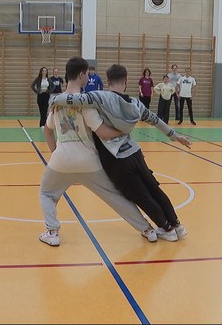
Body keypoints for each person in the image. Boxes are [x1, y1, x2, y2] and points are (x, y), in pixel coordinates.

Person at [50, 64, 192, 242]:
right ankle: (177, 225)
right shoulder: (136, 104)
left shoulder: (99, 97)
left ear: (108, 81)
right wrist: (176, 136)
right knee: (154, 189)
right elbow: (156, 121)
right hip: (135, 153)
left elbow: (72, 100)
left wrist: (54, 100)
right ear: (125, 82)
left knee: (141, 195)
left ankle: (167, 228)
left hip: (115, 158)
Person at [38, 57, 157, 247]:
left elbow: (47, 129)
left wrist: (55, 152)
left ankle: (52, 232)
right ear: (82, 74)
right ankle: (148, 230)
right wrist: (124, 130)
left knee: (46, 193)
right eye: (87, 73)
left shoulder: (55, 103)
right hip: (89, 163)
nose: (89, 76)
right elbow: (103, 133)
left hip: (61, 161)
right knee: (116, 197)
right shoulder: (87, 104)